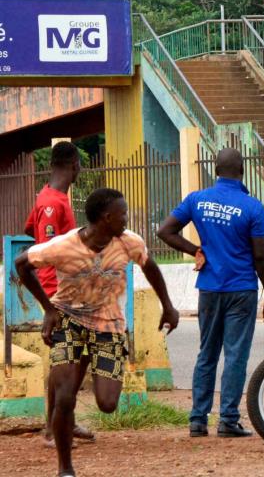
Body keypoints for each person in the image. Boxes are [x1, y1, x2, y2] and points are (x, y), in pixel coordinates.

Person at [15, 188, 180, 477]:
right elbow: (21, 264)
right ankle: (65, 468)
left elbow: (150, 266)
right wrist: (48, 308)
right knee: (65, 397)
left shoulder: (130, 242)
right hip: (68, 320)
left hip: (109, 326)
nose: (126, 219)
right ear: (106, 218)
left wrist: (168, 306)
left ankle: (78, 366)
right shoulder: (63, 245)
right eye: (123, 213)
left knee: (107, 403)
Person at [156, 148, 264, 439]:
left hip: (209, 288)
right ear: (242, 170)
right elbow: (260, 256)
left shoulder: (196, 200)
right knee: (235, 355)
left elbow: (165, 231)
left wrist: (195, 250)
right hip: (241, 289)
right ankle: (228, 421)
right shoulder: (252, 207)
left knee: (207, 353)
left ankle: (198, 420)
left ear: (215, 169)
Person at [22, 142, 96, 448]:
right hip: (60, 292)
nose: (80, 170)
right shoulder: (53, 203)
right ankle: (54, 428)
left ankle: (65, 419)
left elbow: (29, 230)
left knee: (80, 355)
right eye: (79, 165)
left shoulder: (47, 197)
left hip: (68, 289)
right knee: (66, 360)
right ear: (74, 165)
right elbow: (51, 249)